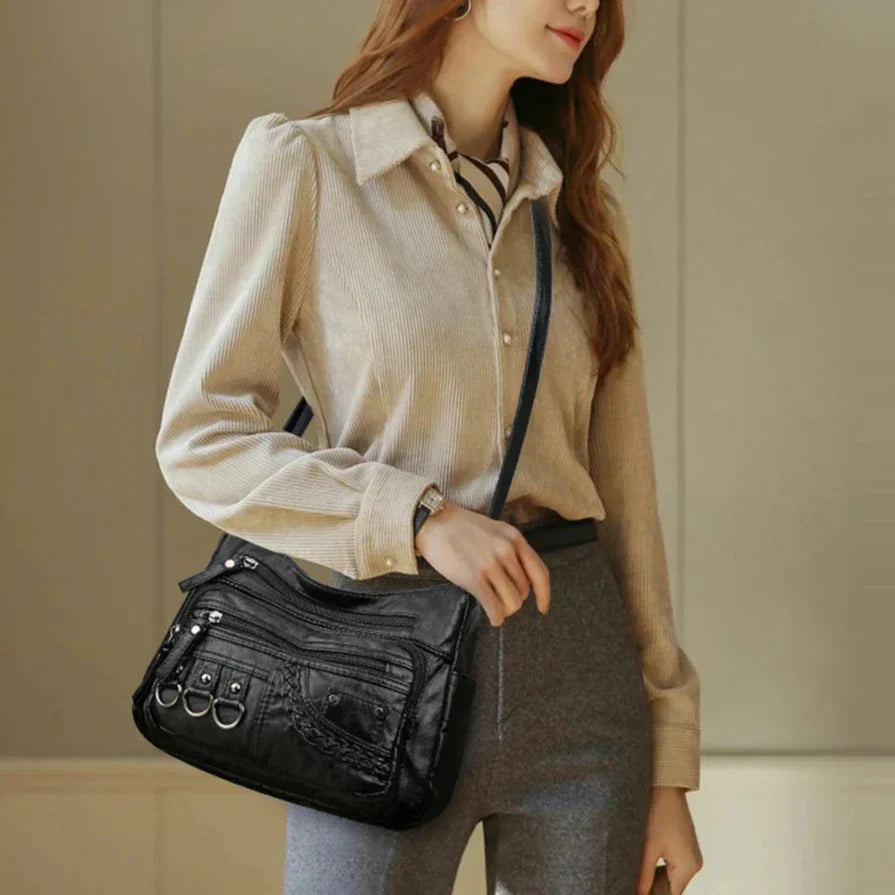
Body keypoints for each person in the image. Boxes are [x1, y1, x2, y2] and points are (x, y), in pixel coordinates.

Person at [154, 1, 704, 892]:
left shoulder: (578, 211)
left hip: (580, 678)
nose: (586, 3)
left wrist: (667, 764)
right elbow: (200, 437)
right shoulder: (309, 166)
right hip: (373, 673)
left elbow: (626, 495)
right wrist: (417, 517)